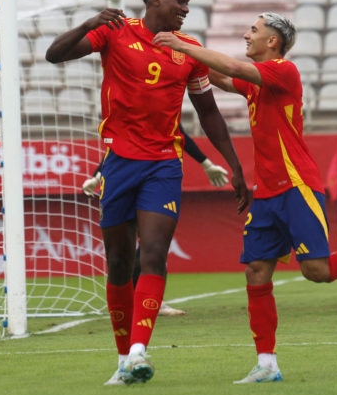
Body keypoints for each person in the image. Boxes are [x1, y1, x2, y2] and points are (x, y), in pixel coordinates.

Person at [153, 12, 337, 384]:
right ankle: (267, 364)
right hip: (266, 193)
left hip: (297, 186)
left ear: (272, 41)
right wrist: (183, 55)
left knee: (318, 272)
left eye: (254, 31)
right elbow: (219, 76)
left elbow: (231, 67)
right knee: (256, 271)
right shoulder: (256, 83)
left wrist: (180, 44)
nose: (247, 35)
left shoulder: (284, 71)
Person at [46, 0, 249, 386]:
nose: (186, 9)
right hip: (119, 161)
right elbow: (55, 55)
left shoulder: (189, 50)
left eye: (188, 3)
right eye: (180, 1)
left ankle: (140, 349)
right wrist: (88, 23)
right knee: (119, 262)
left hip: (163, 164)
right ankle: (124, 358)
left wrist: (233, 164)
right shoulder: (115, 33)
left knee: (153, 253)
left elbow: (207, 112)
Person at [82, 123, 229, 317]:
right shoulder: (129, 113)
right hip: (126, 182)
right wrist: (97, 176)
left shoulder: (164, 108)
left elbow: (181, 135)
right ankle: (131, 300)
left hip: (156, 182)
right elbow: (117, 148)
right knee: (130, 249)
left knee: (153, 245)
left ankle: (151, 301)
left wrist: (206, 164)